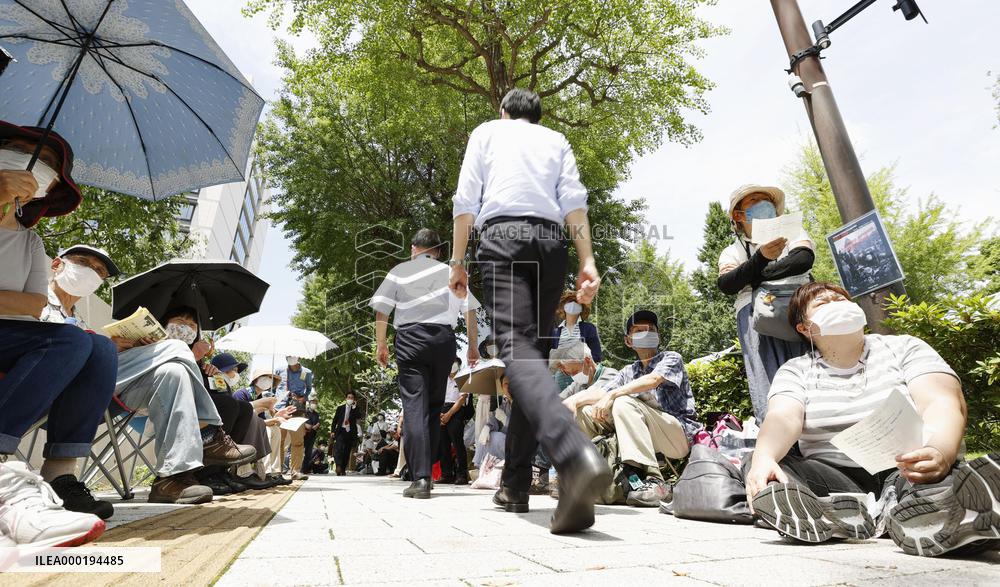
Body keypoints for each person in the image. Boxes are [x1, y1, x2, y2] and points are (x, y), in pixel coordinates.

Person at [449, 88, 610, 533]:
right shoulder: (556, 140)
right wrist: (586, 260)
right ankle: (515, 485)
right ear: (537, 116)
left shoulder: (486, 132)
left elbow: (466, 199)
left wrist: (459, 261)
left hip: (504, 237)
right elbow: (574, 202)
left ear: (503, 112)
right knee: (531, 360)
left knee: (516, 352)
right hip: (550, 243)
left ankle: (573, 453)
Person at [744, 282, 999, 557]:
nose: (835, 303)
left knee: (939, 479)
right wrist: (763, 460)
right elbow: (782, 416)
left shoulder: (904, 347)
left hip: (908, 468)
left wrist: (940, 451)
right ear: (805, 328)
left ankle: (933, 511)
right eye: (822, 303)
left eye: (840, 298)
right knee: (766, 464)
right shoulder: (795, 370)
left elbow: (941, 401)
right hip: (833, 478)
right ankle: (873, 514)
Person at [0, 123, 117, 546]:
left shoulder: (30, 242)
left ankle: (61, 476)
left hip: (12, 339)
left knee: (98, 347)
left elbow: (32, 306)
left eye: (47, 162)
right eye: (15, 148)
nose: (32, 163)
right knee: (69, 339)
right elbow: (27, 304)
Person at [370, 228, 481, 499]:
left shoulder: (399, 270)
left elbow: (382, 307)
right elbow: (470, 311)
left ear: (413, 248)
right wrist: (473, 347)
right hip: (444, 341)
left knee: (414, 406)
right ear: (439, 252)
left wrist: (381, 344)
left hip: (410, 339)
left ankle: (420, 478)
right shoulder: (450, 272)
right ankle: (426, 474)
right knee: (432, 408)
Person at [114, 306, 255, 504]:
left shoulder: (183, 361)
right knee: (179, 349)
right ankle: (210, 436)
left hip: (168, 401)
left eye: (192, 325)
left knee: (176, 370)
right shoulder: (153, 345)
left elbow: (210, 391)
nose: (186, 328)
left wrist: (210, 373)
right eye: (180, 322)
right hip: (131, 399)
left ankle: (172, 480)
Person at [568, 313, 698, 507]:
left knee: (623, 402)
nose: (646, 333)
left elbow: (652, 380)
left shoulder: (671, 358)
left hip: (677, 436)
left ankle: (652, 480)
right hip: (642, 433)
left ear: (659, 337)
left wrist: (612, 396)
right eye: (638, 331)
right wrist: (571, 403)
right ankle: (601, 474)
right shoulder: (628, 371)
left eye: (650, 330)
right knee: (585, 412)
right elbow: (600, 391)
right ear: (628, 341)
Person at [33, 244, 123, 521]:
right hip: (25, 377)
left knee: (102, 349)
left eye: (99, 272)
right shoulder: (32, 293)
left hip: (65, 395)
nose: (91, 273)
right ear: (57, 264)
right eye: (84, 263)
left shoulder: (78, 319)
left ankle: (59, 476)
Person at [717, 185, 813, 423]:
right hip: (754, 316)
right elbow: (727, 284)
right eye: (755, 200)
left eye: (767, 200)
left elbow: (803, 259)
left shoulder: (793, 232)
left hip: (799, 307)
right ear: (738, 215)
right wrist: (762, 257)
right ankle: (779, 438)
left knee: (812, 370)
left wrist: (755, 273)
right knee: (768, 377)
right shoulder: (732, 251)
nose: (764, 203)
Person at [233, 368, 294, 486]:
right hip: (240, 431)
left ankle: (275, 473)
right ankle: (264, 472)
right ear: (256, 379)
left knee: (275, 430)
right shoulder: (241, 394)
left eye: (271, 379)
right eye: (266, 377)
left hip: (254, 428)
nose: (269, 381)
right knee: (269, 431)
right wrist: (271, 416)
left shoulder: (260, 397)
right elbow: (243, 419)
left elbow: (261, 421)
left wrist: (276, 416)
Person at [549, 290, 602, 391]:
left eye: (577, 302)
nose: (573, 304)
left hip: (583, 374)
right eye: (569, 302)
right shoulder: (555, 333)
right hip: (561, 376)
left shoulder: (589, 328)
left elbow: (597, 355)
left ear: (582, 308)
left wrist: (582, 366)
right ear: (563, 307)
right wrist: (560, 366)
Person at [439, 357, 471, 485]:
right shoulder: (441, 379)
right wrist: (439, 414)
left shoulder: (463, 378)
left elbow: (462, 399)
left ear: (459, 365)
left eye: (455, 363)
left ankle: (461, 474)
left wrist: (449, 414)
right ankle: (446, 474)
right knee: (443, 444)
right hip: (441, 410)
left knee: (457, 443)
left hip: (456, 411)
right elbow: (437, 397)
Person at [330, 392, 360, 476]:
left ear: (354, 399)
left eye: (352, 398)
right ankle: (338, 466)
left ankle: (343, 469)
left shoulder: (355, 408)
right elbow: (334, 420)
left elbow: (359, 417)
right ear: (346, 398)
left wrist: (354, 408)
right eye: (349, 397)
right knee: (338, 449)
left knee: (346, 452)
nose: (350, 399)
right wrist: (332, 431)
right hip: (340, 431)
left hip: (350, 432)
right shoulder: (340, 408)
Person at [301, 397, 322, 472]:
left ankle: (305, 469)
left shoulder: (316, 414)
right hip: (305, 435)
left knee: (309, 453)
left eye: (315, 403)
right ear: (309, 403)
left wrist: (315, 426)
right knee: (301, 451)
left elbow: (318, 423)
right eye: (313, 403)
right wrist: (312, 426)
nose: (314, 404)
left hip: (312, 435)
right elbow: (306, 424)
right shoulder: (305, 412)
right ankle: (299, 468)